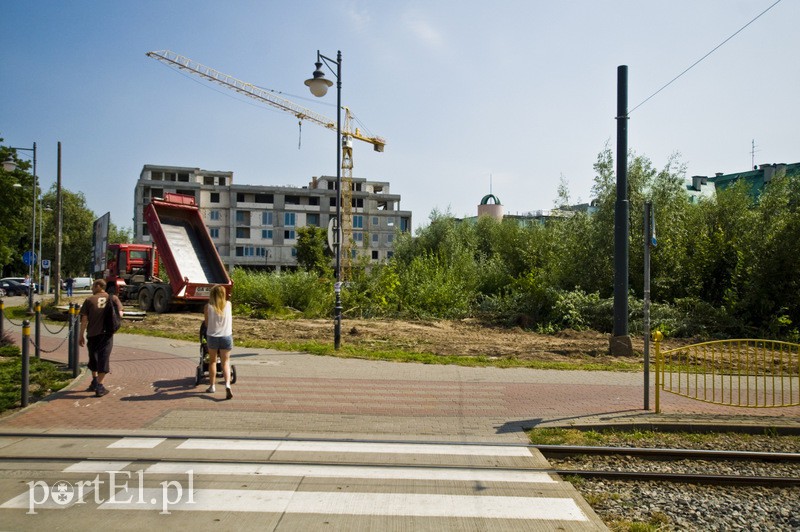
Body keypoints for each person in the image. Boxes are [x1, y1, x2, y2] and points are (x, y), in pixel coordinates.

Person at [79, 279, 123, 397]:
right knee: (104, 358)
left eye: (93, 286)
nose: (92, 288)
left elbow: (84, 319)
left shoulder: (89, 300)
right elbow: (120, 313)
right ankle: (100, 385)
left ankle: (95, 381)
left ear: (98, 286)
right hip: (107, 333)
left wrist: (81, 335)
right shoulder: (113, 298)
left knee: (93, 357)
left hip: (92, 333)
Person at [204, 284, 234, 399]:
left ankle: (212, 386)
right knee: (225, 362)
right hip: (226, 336)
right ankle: (227, 384)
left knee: (212, 361)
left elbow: (206, 323)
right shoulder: (229, 305)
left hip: (212, 336)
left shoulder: (208, 307)